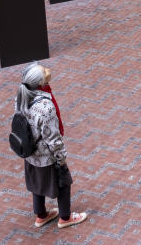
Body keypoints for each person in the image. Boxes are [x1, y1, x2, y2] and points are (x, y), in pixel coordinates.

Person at [16, 63, 88, 229]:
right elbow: (53, 138)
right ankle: (65, 217)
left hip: (30, 152)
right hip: (47, 155)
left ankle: (41, 215)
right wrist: (61, 158)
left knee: (36, 182)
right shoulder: (45, 107)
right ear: (41, 83)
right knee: (64, 183)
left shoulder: (21, 97)